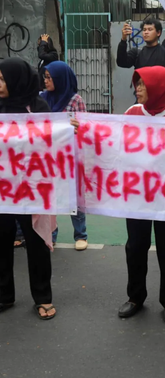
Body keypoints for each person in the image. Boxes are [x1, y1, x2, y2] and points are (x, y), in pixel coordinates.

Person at [118, 66, 165, 323]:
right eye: (137, 84)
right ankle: (135, 296)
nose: (138, 89)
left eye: (144, 84)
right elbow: (116, 146)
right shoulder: (132, 113)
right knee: (135, 247)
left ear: (159, 86)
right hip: (138, 196)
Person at [0, 58, 57, 320]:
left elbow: (53, 142)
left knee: (35, 243)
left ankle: (42, 297)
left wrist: (71, 131)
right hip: (3, 189)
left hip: (31, 189)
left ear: (16, 81)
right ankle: (4, 295)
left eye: (2, 79)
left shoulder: (38, 107)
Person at [41, 61, 88, 251]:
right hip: (47, 157)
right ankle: (49, 235)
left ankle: (81, 235)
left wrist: (79, 128)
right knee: (49, 196)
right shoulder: (41, 99)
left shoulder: (75, 100)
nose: (45, 81)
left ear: (60, 78)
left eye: (49, 77)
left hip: (69, 156)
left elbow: (85, 127)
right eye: (45, 76)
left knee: (73, 196)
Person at [116, 0, 165, 72]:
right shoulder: (137, 54)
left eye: (150, 29)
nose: (146, 32)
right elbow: (122, 62)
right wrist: (123, 40)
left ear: (158, 33)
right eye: (144, 30)